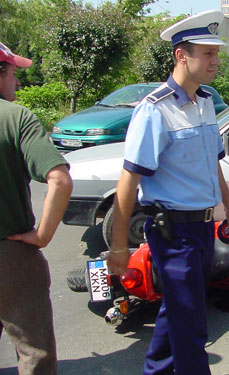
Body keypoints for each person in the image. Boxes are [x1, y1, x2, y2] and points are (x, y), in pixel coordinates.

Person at [106, 10, 229, 375]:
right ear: (182, 55)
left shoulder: (206, 103)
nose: (216, 60)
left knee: (178, 312)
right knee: (191, 323)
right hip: (173, 232)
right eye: (208, 53)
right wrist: (119, 247)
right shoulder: (155, 110)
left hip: (202, 229)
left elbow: (213, 161)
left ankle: (157, 371)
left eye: (217, 53)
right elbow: (128, 181)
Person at [0, 42, 73, 374]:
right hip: (11, 255)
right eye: (14, 73)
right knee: (34, 352)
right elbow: (59, 180)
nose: (17, 82)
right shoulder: (16, 119)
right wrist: (42, 235)